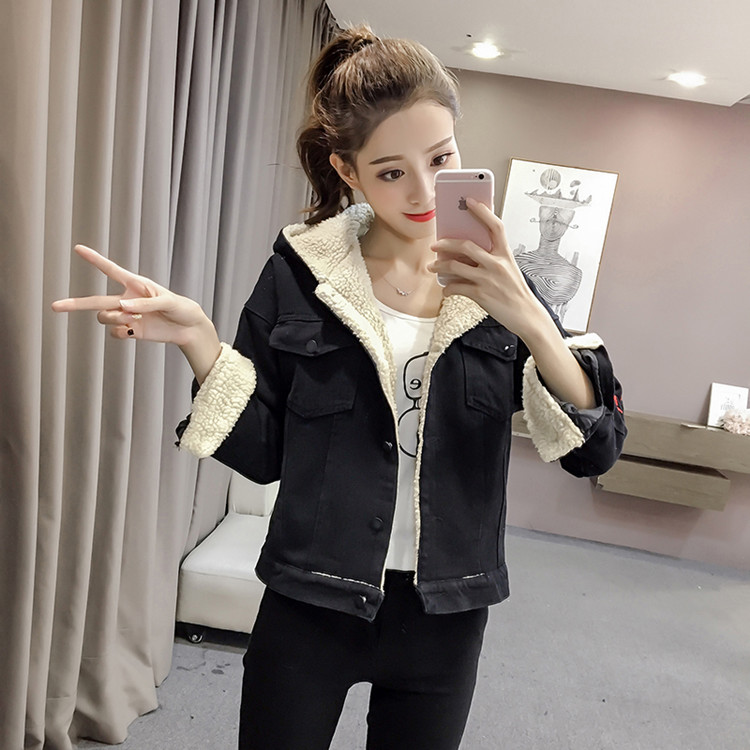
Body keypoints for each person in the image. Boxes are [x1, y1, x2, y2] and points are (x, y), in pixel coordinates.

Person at [53, 26, 626, 750]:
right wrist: (199, 340)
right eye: (390, 172)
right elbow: (265, 454)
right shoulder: (301, 275)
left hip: (445, 614)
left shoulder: (501, 282)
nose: (423, 191)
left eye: (441, 158)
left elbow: (592, 452)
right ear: (347, 170)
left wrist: (531, 320)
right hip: (309, 598)